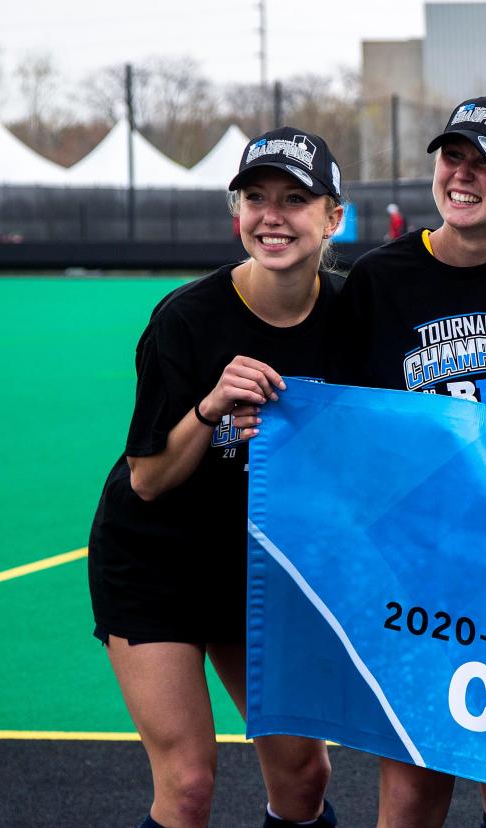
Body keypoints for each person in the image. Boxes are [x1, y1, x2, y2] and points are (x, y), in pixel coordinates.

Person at [88, 127, 345, 828]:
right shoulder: (187, 318)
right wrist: (210, 409)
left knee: (303, 775)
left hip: (257, 565)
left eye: (295, 199)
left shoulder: (354, 312)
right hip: (156, 561)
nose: (272, 216)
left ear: (333, 217)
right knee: (191, 782)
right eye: (255, 197)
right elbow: (146, 480)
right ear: (236, 214)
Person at [328, 96, 486, 828]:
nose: (463, 175)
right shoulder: (381, 278)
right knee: (414, 779)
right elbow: (350, 425)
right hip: (418, 567)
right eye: (453, 156)